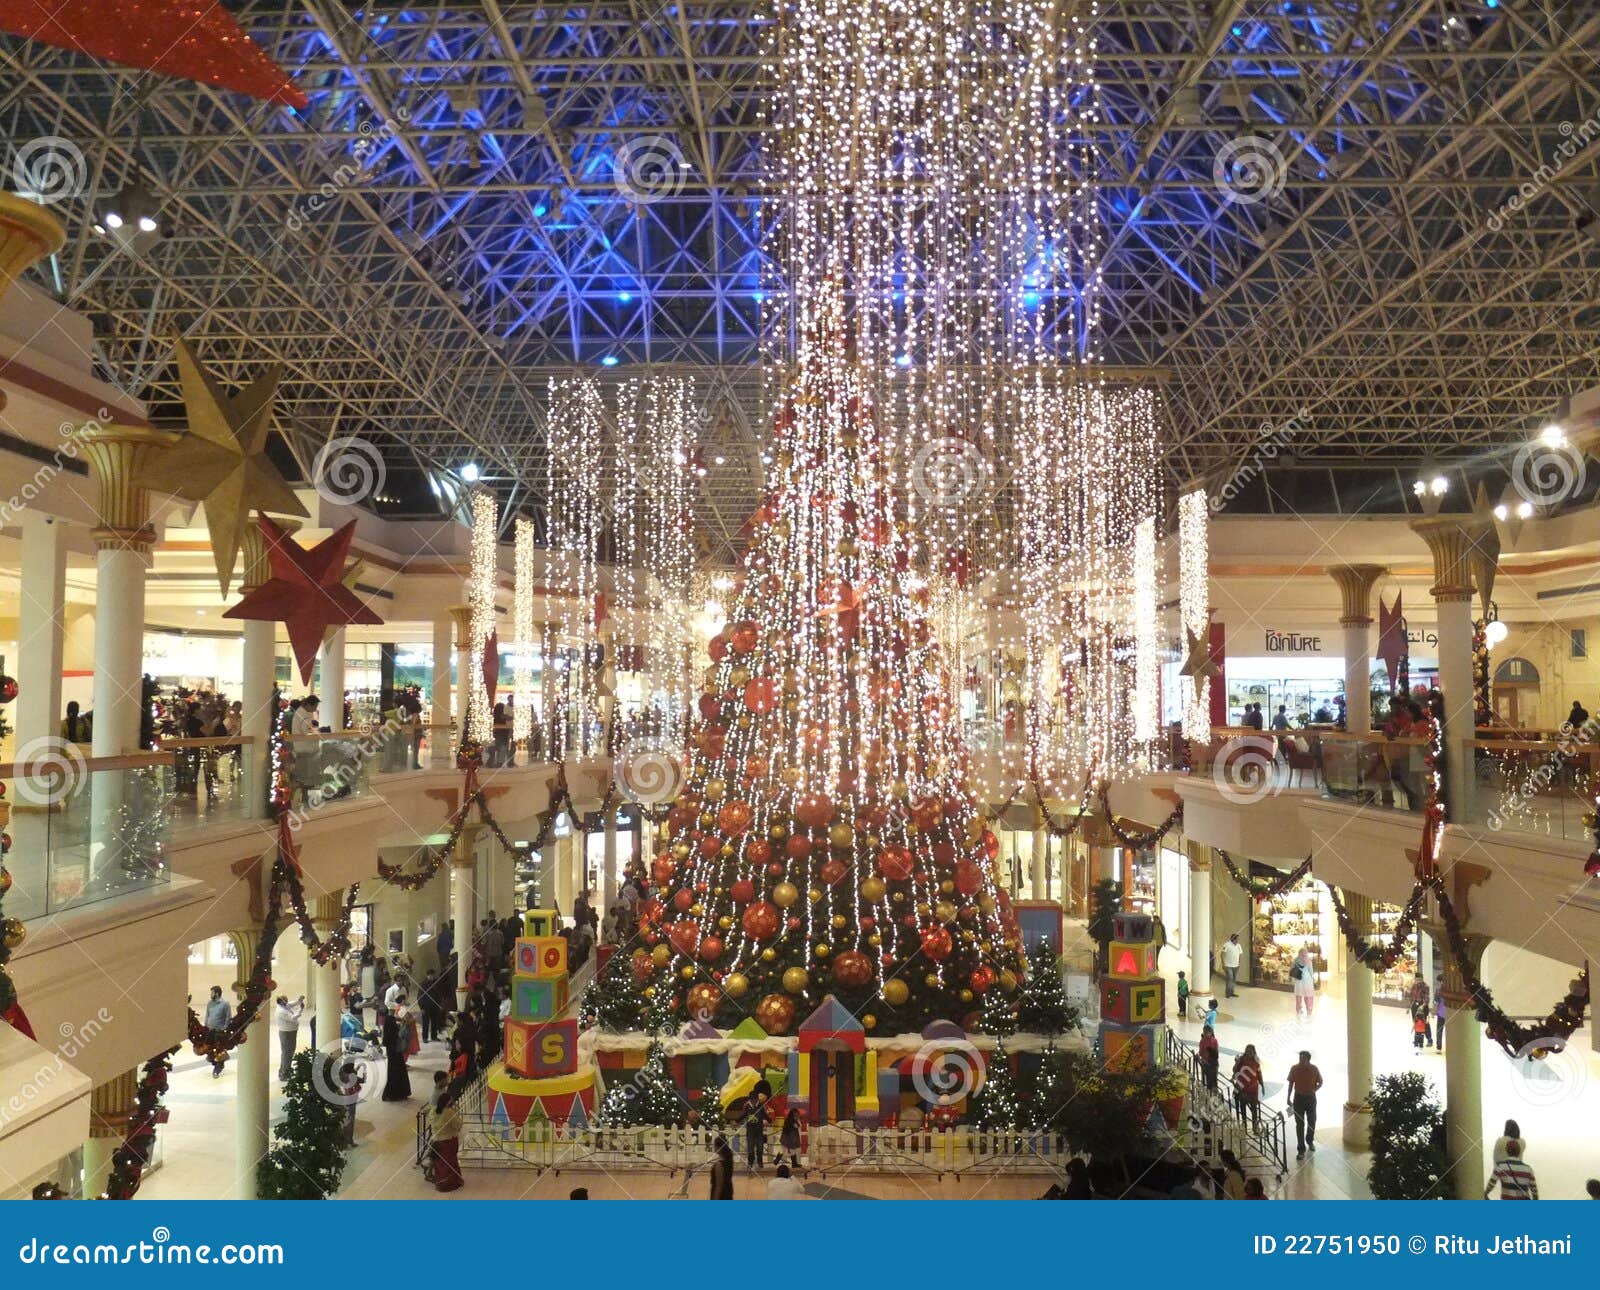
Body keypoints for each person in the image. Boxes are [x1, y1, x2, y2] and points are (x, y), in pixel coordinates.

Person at [1286, 1049, 1323, 1158]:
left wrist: (1314, 1090)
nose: (1301, 1061)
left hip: (1310, 1099)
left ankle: (1310, 1141)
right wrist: (1288, 1097)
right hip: (1298, 1099)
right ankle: (1301, 1149)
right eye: (1300, 1058)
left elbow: (1321, 1082)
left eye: (1303, 1059)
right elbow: (1291, 1083)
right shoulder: (1294, 1068)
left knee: (1312, 1121)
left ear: (1308, 1060)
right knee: (1300, 1124)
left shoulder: (1314, 1069)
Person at [428, 1081, 464, 1193]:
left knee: (440, 1163)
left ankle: (440, 1181)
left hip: (436, 1141)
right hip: (448, 1141)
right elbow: (458, 1126)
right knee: (450, 1162)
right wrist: (457, 1114)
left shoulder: (433, 1111)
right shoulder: (449, 1113)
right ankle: (449, 1183)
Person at [290, 695, 321, 806]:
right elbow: (307, 731)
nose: (315, 709)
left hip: (303, 750)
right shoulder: (304, 716)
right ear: (309, 704)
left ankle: (306, 801)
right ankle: (309, 802)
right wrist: (318, 731)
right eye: (315, 706)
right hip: (306, 751)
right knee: (308, 779)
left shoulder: (301, 714)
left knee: (305, 779)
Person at [381, 1009, 411, 1101]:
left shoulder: (388, 1033)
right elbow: (403, 1035)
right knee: (400, 1074)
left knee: (393, 1075)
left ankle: (393, 1094)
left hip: (392, 1056)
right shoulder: (395, 1031)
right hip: (397, 1056)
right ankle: (401, 1093)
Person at [1232, 1044, 1263, 1130]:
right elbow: (1234, 1070)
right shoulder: (1242, 1060)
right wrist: (1237, 1063)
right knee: (1243, 1107)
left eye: (1250, 1051)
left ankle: (1255, 1126)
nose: (1249, 1053)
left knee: (1254, 1109)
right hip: (1243, 1089)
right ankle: (1244, 1124)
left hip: (1253, 1089)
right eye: (1247, 1051)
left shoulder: (1256, 1062)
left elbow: (1259, 1073)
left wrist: (1262, 1084)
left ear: (1254, 1052)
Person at [274, 994, 304, 1082]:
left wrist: (299, 1000)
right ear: (281, 1002)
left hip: (290, 1033)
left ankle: (283, 1072)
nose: (287, 1002)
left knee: (287, 1053)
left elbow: (292, 1004)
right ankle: (284, 1074)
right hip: (287, 1034)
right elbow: (293, 1018)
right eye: (285, 1000)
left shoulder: (284, 1006)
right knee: (287, 1054)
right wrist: (301, 1009)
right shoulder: (281, 1011)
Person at [203, 986, 232, 1078]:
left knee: (219, 1051)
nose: (211, 995)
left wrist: (224, 1029)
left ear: (217, 993)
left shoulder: (225, 1004)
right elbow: (207, 1015)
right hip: (210, 1031)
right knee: (210, 1050)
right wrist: (206, 1025)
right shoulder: (209, 1003)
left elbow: (228, 1018)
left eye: (212, 992)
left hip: (219, 1032)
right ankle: (216, 1063)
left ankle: (217, 1069)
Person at [338, 1061, 362, 1146]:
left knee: (343, 1120)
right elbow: (361, 1080)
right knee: (350, 1121)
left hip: (343, 1098)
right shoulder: (352, 1077)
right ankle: (349, 1140)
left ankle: (341, 1140)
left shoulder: (341, 1074)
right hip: (351, 1100)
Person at [744, 1092, 768, 1171]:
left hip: (759, 1131)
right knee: (750, 1148)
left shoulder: (760, 1106)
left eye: (755, 1099)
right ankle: (750, 1162)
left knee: (760, 1147)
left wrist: (769, 1120)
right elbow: (743, 1115)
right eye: (752, 1099)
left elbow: (765, 1115)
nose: (754, 1101)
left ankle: (760, 1162)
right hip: (750, 1131)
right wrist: (736, 1121)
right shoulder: (747, 1107)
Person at [1291, 946, 1317, 1018]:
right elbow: (1311, 971)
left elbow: (1292, 969)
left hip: (1299, 980)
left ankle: (1298, 1010)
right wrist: (1313, 978)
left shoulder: (1295, 960)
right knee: (1308, 996)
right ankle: (1309, 1010)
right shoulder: (1308, 960)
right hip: (1307, 980)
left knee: (1299, 995)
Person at [708, 1133, 735, 1199]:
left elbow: (719, 1186)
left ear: (718, 1147)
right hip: (728, 1193)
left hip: (721, 1196)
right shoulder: (728, 1160)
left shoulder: (719, 1165)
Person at [1197, 1023, 1220, 1093]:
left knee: (1213, 1076)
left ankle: (1213, 1088)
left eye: (1206, 1032)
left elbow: (1216, 1052)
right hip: (1206, 1062)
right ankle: (1210, 1089)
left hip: (1212, 1061)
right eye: (1204, 1032)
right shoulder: (1203, 1041)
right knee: (1210, 1077)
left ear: (1210, 1032)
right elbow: (1201, 1052)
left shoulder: (1214, 1041)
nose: (1205, 1034)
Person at [1219, 933, 1243, 998]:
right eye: (1236, 939)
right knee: (1230, 978)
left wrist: (1239, 963)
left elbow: (1240, 955)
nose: (1238, 941)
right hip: (1228, 966)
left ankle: (1232, 992)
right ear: (1233, 939)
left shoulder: (1238, 945)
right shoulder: (1227, 945)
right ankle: (1228, 993)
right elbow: (1222, 954)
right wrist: (1223, 964)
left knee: (1234, 979)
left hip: (1236, 966)